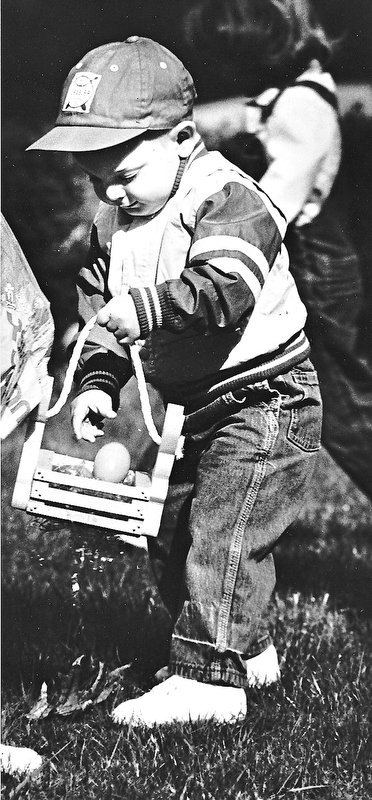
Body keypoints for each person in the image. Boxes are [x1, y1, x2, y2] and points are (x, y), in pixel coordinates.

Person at [28, 35, 322, 726]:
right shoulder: (113, 224)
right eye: (97, 178)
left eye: (125, 172)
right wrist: (99, 383)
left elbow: (227, 288)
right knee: (175, 534)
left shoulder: (225, 198)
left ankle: (210, 685)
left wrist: (148, 307)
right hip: (198, 408)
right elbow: (102, 315)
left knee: (225, 530)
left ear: (183, 137)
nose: (112, 191)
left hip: (266, 400)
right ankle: (241, 652)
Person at [185, 0, 372, 502]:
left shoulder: (300, 105)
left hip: (311, 264)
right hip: (309, 257)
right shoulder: (292, 94)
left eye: (239, 61)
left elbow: (274, 207)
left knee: (345, 409)